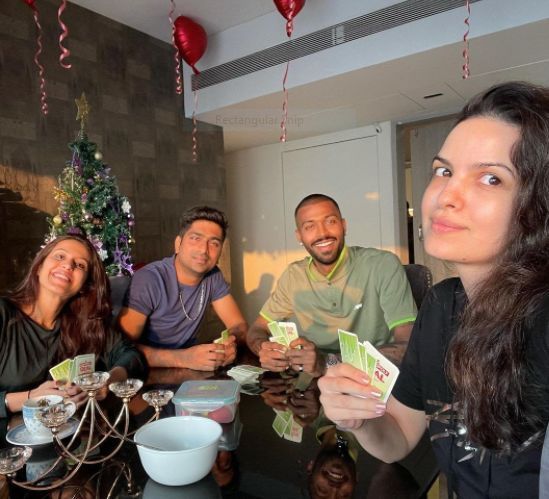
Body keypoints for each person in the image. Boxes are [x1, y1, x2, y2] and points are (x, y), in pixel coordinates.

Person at [318, 81, 549, 498]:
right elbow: (399, 438)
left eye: (491, 179)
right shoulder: (444, 304)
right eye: (444, 171)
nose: (447, 195)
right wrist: (359, 417)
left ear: (537, 205)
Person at [246, 194, 416, 376]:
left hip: (372, 380)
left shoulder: (383, 265)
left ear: (344, 226)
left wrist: (327, 363)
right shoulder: (292, 277)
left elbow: (408, 345)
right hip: (311, 385)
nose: (322, 233)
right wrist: (264, 349)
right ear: (300, 236)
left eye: (331, 221)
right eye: (309, 226)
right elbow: (257, 329)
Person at [0, 235, 147, 417]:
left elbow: (132, 356)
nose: (68, 265)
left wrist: (107, 382)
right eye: (60, 256)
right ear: (39, 267)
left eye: (80, 265)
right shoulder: (4, 314)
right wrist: (29, 398)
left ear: (84, 285)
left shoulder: (84, 324)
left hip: (68, 438)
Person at [118, 206, 247, 370]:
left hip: (187, 374)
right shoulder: (150, 278)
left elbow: (239, 325)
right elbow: (121, 349)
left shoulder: (213, 276)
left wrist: (231, 344)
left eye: (214, 243)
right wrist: (183, 358)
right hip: (144, 373)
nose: (203, 250)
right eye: (195, 238)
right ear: (178, 244)